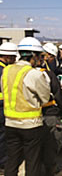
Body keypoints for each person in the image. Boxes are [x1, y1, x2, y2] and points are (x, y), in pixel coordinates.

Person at [1, 37, 50, 176]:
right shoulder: (34, 74)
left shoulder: (7, 70)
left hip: (10, 123)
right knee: (32, 162)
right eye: (39, 56)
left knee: (12, 160)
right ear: (33, 55)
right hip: (30, 125)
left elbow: (6, 92)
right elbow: (45, 98)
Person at [40, 43, 62, 176]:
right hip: (48, 112)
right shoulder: (47, 72)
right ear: (48, 56)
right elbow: (57, 94)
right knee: (52, 142)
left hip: (30, 113)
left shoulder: (28, 69)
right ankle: (50, 170)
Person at [0, 42, 18, 174]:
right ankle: (2, 164)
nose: (14, 61)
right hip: (2, 107)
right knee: (2, 136)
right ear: (7, 57)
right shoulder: (3, 70)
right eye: (13, 58)